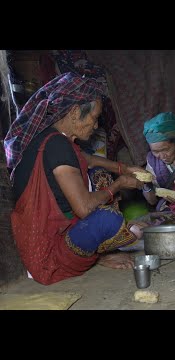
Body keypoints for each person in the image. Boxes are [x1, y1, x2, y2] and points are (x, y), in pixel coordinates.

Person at [3, 72, 150, 285]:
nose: (97, 125)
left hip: (44, 238)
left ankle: (97, 256)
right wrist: (119, 184)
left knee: (99, 175)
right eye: (95, 117)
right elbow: (83, 208)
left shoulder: (52, 139)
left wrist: (125, 168)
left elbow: (88, 160)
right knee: (109, 218)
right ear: (74, 113)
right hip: (47, 253)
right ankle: (92, 257)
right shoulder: (58, 145)